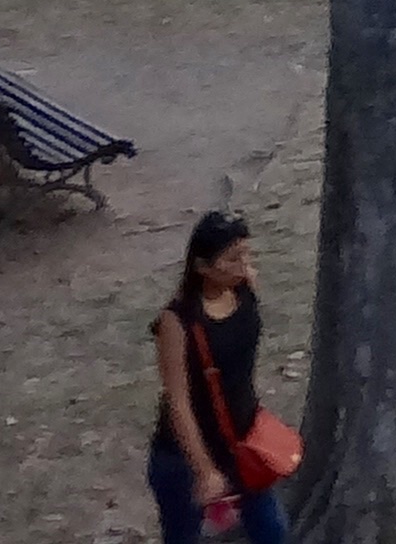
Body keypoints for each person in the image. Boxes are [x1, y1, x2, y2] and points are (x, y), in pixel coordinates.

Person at [146, 210, 285, 544]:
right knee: (183, 536)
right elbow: (178, 401)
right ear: (202, 267)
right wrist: (204, 469)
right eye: (233, 258)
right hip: (184, 457)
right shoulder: (177, 322)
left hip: (242, 444)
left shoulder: (243, 290)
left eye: (246, 254)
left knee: (273, 531)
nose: (244, 265)